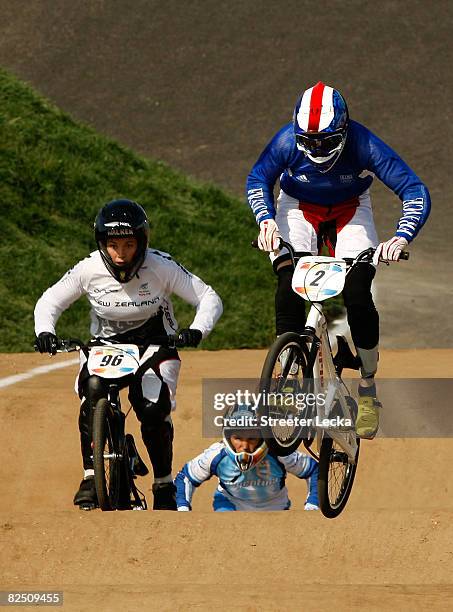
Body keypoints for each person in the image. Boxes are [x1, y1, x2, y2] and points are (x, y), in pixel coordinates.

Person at [246, 82, 430, 440]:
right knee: (288, 283)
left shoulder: (364, 143)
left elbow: (414, 189)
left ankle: (368, 386)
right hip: (297, 208)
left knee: (358, 292)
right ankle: (286, 371)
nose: (316, 149)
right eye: (309, 141)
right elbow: (258, 179)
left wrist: (400, 236)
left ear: (344, 131)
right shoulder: (285, 141)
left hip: (351, 210)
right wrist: (266, 220)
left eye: (325, 142)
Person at [34, 199, 223, 510]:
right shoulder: (89, 268)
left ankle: (163, 483)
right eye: (112, 245)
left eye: (129, 244)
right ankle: (90, 475)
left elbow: (207, 296)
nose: (120, 254)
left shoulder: (161, 267)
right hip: (105, 345)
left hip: (155, 344)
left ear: (143, 242)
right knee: (93, 391)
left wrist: (198, 329)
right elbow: (50, 301)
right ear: (101, 244)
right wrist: (45, 332)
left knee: (150, 408)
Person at [174, 404, 319, 511]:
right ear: (228, 436)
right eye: (238, 438)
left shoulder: (277, 452)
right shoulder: (217, 454)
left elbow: (314, 469)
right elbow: (185, 477)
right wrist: (183, 508)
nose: (244, 445)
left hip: (275, 510)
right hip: (230, 507)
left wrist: (312, 504)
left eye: (252, 438)